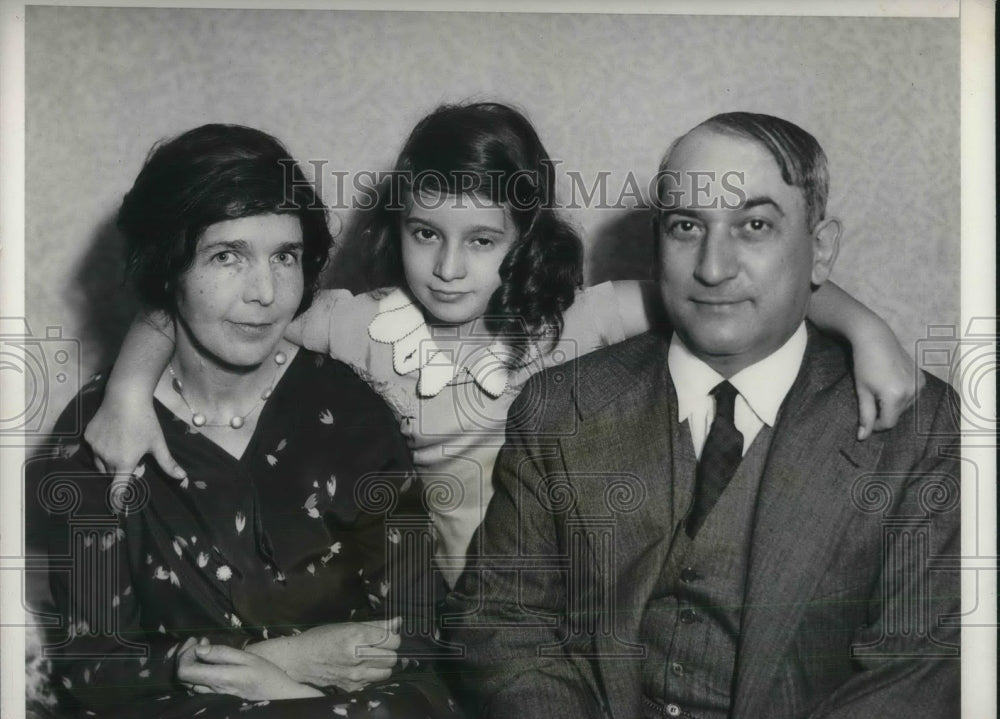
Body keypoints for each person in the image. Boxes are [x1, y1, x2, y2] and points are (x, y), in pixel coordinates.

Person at [84, 103, 919, 587]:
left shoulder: (572, 321)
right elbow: (204, 306)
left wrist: (865, 326)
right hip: (421, 596)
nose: (447, 269)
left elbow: (721, 292)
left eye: (481, 240)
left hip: (554, 592)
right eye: (424, 234)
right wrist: (125, 395)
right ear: (397, 228)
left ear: (524, 238)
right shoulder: (355, 321)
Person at [443, 112, 960, 719]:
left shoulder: (918, 430)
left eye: (756, 226)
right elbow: (501, 624)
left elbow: (919, 668)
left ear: (820, 250)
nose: (714, 268)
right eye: (687, 225)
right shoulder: (561, 407)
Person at [26, 124, 460, 719]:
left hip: (357, 707)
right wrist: (274, 662)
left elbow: (420, 626)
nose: (266, 292)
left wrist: (296, 698)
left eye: (285, 257)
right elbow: (96, 664)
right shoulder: (103, 431)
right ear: (168, 268)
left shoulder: (351, 410)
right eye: (226, 256)